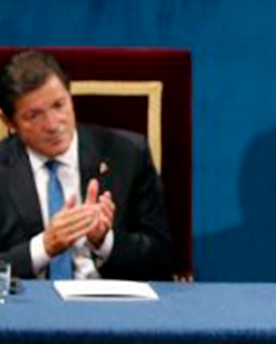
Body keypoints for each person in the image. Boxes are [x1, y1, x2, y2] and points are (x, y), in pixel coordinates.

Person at [0, 51, 171, 280]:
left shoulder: (127, 154)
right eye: (34, 115)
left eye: (59, 105)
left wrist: (104, 241)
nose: (52, 124)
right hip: (28, 308)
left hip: (110, 308)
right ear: (9, 123)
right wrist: (44, 247)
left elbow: (161, 261)